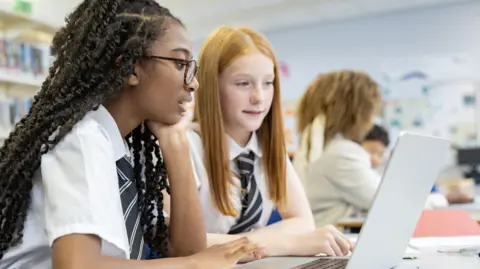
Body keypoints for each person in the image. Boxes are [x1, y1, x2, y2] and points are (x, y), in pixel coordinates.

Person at [0, 1, 262, 269]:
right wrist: (194, 265)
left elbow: (186, 249)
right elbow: (78, 266)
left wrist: (176, 143)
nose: (193, 82)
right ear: (131, 68)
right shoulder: (82, 137)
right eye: (180, 64)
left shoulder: (126, 148)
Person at [178, 26, 353, 259]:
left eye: (268, 83)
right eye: (243, 83)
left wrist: (243, 245)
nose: (259, 97)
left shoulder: (267, 147)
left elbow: (303, 222)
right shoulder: (184, 147)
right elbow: (186, 246)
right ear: (212, 87)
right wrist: (285, 244)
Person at [298, 70, 383, 227]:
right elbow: (385, 200)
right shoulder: (341, 153)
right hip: (335, 244)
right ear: (357, 112)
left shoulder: (312, 145)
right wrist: (437, 199)